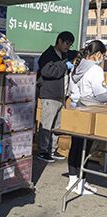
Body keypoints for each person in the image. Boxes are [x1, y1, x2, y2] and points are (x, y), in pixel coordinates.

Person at [67, 40, 107, 194]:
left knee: (76, 146)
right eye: (102, 55)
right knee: (86, 149)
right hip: (89, 112)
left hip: (76, 109)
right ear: (97, 54)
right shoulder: (95, 70)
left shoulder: (77, 66)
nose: (103, 58)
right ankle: (80, 183)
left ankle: (73, 180)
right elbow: (100, 94)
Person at [37, 31, 76, 163]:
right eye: (66, 43)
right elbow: (48, 72)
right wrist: (64, 66)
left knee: (57, 126)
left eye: (70, 45)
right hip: (50, 95)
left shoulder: (65, 55)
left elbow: (75, 53)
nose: (68, 47)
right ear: (59, 41)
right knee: (47, 125)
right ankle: (43, 151)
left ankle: (52, 150)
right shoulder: (48, 55)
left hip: (61, 96)